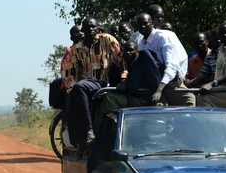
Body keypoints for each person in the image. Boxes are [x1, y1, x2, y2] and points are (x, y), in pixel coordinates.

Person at [65, 17, 123, 153]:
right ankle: (79, 141)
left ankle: (88, 131)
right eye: (87, 27)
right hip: (86, 84)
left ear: (98, 29)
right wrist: (71, 87)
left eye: (93, 27)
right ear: (83, 30)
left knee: (79, 88)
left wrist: (123, 79)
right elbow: (68, 72)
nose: (90, 30)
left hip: (103, 81)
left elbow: (121, 60)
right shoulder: (76, 49)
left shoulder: (107, 40)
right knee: (74, 93)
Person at [94, 40, 162, 129]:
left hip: (142, 99)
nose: (128, 53)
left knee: (108, 98)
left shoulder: (141, 61)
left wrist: (124, 81)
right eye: (125, 50)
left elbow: (133, 86)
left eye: (131, 50)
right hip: (133, 96)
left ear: (137, 51)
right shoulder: (126, 63)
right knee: (99, 100)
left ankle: (104, 131)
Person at [135, 13, 195, 106]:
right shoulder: (140, 42)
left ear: (152, 23)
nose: (142, 26)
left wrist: (160, 89)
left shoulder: (163, 38)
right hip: (152, 85)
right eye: (139, 24)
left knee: (189, 101)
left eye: (145, 23)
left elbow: (171, 66)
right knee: (160, 112)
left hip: (170, 83)